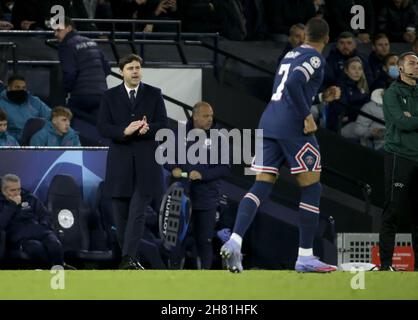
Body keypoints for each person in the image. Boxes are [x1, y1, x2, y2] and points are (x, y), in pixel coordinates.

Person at [220, 18, 339, 273]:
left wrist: (320, 98)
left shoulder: (290, 54)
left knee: (262, 184)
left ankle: (235, 239)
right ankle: (305, 256)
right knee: (312, 188)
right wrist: (307, 114)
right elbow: (295, 83)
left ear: (305, 35)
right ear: (327, 38)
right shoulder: (316, 59)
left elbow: (287, 89)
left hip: (269, 122)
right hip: (292, 126)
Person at [97, 54, 168, 270]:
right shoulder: (109, 96)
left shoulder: (154, 94)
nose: (135, 71)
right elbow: (102, 127)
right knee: (121, 218)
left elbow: (163, 125)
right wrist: (124, 131)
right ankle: (130, 259)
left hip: (146, 165)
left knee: (137, 212)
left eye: (138, 67)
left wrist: (149, 129)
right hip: (120, 165)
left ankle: (127, 259)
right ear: (122, 72)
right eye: (130, 68)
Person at [165, 101, 230, 269]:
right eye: (205, 116)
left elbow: (224, 168)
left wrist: (203, 175)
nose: (210, 119)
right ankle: (172, 277)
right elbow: (165, 157)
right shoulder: (178, 134)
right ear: (194, 116)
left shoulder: (219, 138)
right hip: (180, 195)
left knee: (204, 241)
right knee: (176, 240)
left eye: (211, 116)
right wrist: (173, 168)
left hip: (207, 198)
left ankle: (204, 280)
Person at [379, 52, 418, 271]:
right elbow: (402, 123)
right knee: (392, 211)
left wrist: (412, 118)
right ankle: (385, 266)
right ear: (400, 68)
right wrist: (409, 119)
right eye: (412, 63)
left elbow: (409, 120)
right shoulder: (391, 93)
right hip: (399, 157)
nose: (417, 66)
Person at [54, 16, 110, 139]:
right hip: (101, 94)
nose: (55, 34)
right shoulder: (91, 42)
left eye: (58, 30)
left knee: (65, 118)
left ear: (68, 28)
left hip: (81, 95)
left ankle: (71, 149)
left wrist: (65, 90)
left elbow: (69, 73)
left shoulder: (66, 45)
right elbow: (107, 68)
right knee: (99, 128)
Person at [0, 174, 65, 268]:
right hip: (20, 237)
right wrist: (12, 205)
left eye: (18, 189)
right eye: (13, 190)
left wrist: (43, 225)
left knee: (55, 244)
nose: (17, 193)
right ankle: (47, 274)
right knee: (36, 248)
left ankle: (60, 274)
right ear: (3, 190)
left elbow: (45, 215)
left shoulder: (29, 197)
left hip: (39, 231)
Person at [326, 57, 371, 136]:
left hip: (359, 120)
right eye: (353, 68)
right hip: (341, 125)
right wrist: (355, 114)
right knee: (368, 132)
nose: (357, 71)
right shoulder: (339, 86)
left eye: (360, 69)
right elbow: (341, 110)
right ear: (346, 70)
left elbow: (368, 107)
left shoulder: (364, 86)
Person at [0, 74, 51, 141]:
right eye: (17, 87)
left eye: (23, 88)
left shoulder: (33, 100)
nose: (21, 90)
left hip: (37, 139)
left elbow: (51, 116)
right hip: (13, 142)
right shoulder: (1, 104)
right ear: (9, 88)